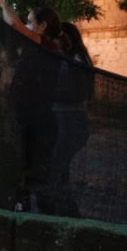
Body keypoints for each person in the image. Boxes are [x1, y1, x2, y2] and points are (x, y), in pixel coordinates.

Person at [0, 0, 64, 210]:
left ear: (42, 26)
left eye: (31, 22)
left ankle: (31, 207)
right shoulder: (37, 46)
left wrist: (3, 3)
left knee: (32, 165)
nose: (27, 25)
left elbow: (16, 27)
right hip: (27, 112)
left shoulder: (48, 45)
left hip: (37, 115)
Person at [48, 22, 95, 216]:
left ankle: (64, 211)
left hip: (70, 121)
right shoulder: (71, 59)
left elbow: (78, 92)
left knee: (57, 169)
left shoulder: (74, 61)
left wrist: (48, 92)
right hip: (68, 120)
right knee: (60, 171)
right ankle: (63, 210)